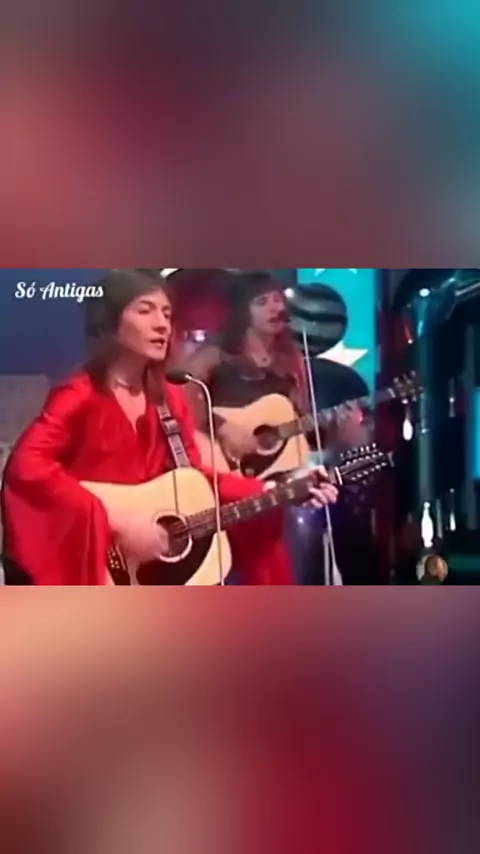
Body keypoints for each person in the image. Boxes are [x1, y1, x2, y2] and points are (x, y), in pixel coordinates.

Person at [0, 269, 337, 586]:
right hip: (91, 562)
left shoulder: (169, 397)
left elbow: (197, 479)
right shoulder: (80, 395)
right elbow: (27, 468)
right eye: (145, 310)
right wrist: (114, 519)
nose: (162, 324)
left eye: (166, 313)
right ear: (110, 323)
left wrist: (275, 489)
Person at [180, 270, 369, 466]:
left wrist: (336, 431)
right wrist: (221, 427)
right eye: (262, 302)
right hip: (216, 464)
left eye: (278, 300)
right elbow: (180, 403)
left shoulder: (289, 362)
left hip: (275, 471)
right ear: (242, 313)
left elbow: (299, 427)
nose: (276, 308)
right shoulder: (213, 356)